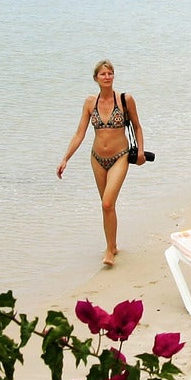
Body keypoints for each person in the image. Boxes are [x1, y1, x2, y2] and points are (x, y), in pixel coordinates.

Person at [56, 60, 145, 267]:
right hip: (97, 159)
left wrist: (140, 151)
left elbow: (138, 127)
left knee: (107, 203)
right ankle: (112, 245)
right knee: (107, 207)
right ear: (96, 78)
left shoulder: (125, 100)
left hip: (120, 156)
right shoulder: (90, 102)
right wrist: (65, 158)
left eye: (110, 73)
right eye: (103, 74)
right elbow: (80, 133)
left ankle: (109, 251)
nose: (107, 77)